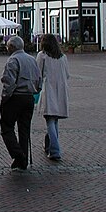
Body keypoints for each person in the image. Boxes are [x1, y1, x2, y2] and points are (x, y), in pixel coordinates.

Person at [0, 35, 42, 171]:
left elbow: (9, 81)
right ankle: (22, 158)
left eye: (7, 46)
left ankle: (18, 155)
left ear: (12, 47)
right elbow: (39, 79)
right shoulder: (32, 59)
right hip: (29, 97)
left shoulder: (13, 60)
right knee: (24, 129)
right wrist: (34, 91)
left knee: (7, 127)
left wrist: (5, 97)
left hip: (16, 97)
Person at [36, 34, 70, 162]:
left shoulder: (42, 56)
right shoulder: (63, 57)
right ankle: (49, 144)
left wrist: (36, 88)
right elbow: (67, 75)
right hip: (61, 90)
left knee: (50, 119)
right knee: (54, 119)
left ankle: (55, 150)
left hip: (48, 89)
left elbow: (37, 73)